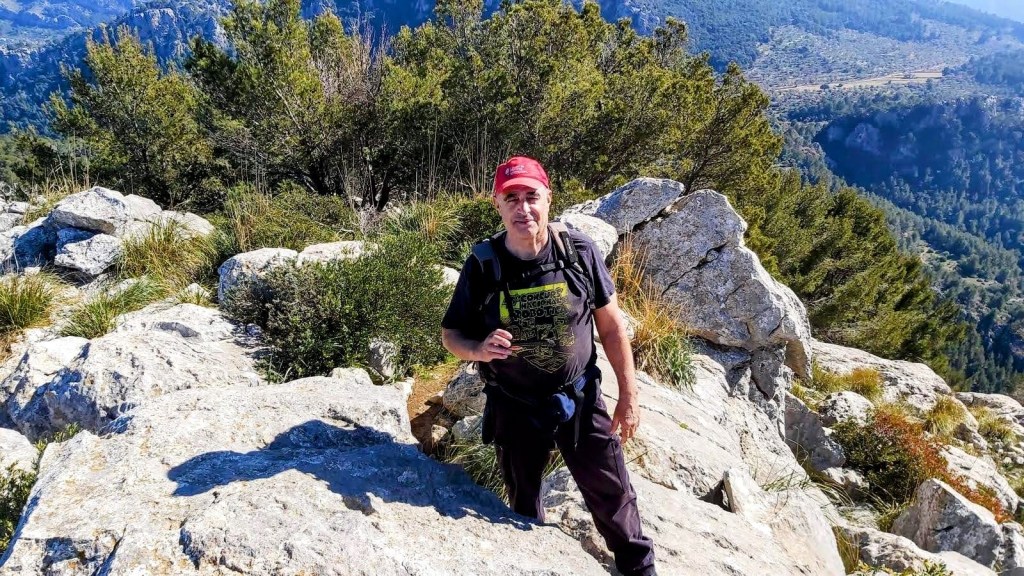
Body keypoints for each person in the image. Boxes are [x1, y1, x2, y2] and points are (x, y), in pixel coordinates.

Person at [440, 156, 657, 576]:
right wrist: (479, 349)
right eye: (512, 198)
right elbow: (452, 335)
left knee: (612, 494)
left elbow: (611, 329)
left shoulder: (576, 252)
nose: (523, 208)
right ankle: (535, 563)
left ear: (548, 199)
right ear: (497, 205)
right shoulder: (484, 265)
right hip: (514, 405)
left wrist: (629, 396)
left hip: (579, 397)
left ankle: (639, 569)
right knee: (523, 500)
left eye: (531, 197)